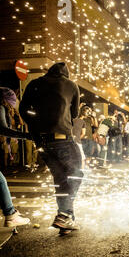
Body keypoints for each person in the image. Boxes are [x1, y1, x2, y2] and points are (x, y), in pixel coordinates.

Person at [19, 62, 83, 233]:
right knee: (76, 174)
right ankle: (64, 215)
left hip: (42, 142)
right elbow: (75, 114)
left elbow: (23, 109)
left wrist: (36, 127)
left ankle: (67, 220)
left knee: (61, 179)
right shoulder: (71, 85)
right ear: (65, 74)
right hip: (62, 138)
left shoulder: (34, 84)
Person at [0, 84, 31, 231]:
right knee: (0, 181)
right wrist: (27, 136)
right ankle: (11, 215)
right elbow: (3, 129)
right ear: (7, 100)